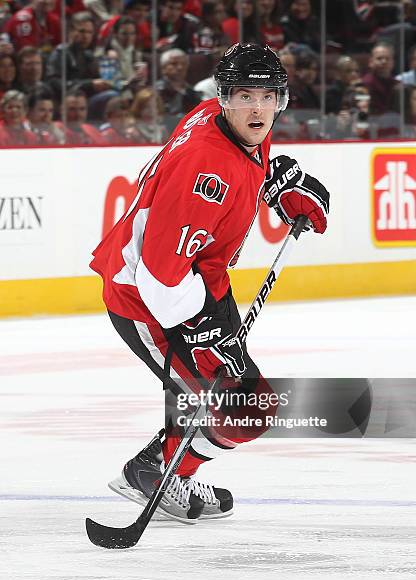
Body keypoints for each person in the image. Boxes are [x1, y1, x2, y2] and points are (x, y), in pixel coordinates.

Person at [89, 43, 330, 524]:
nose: (258, 108)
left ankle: (160, 469)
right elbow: (160, 274)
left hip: (201, 280)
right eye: (245, 96)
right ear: (223, 97)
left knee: (245, 404)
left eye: (268, 96)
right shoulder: (203, 169)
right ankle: (156, 472)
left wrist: (274, 187)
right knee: (245, 411)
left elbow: (240, 169)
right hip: (148, 300)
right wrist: (204, 330)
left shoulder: (227, 121)